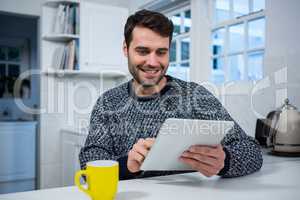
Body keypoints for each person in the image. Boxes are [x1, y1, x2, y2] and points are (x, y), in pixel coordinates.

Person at [79, 9, 263, 180]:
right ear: (126, 50)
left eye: (161, 52)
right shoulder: (108, 102)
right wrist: (127, 165)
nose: (152, 62)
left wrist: (225, 161)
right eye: (143, 51)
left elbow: (251, 151)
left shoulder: (195, 96)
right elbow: (89, 165)